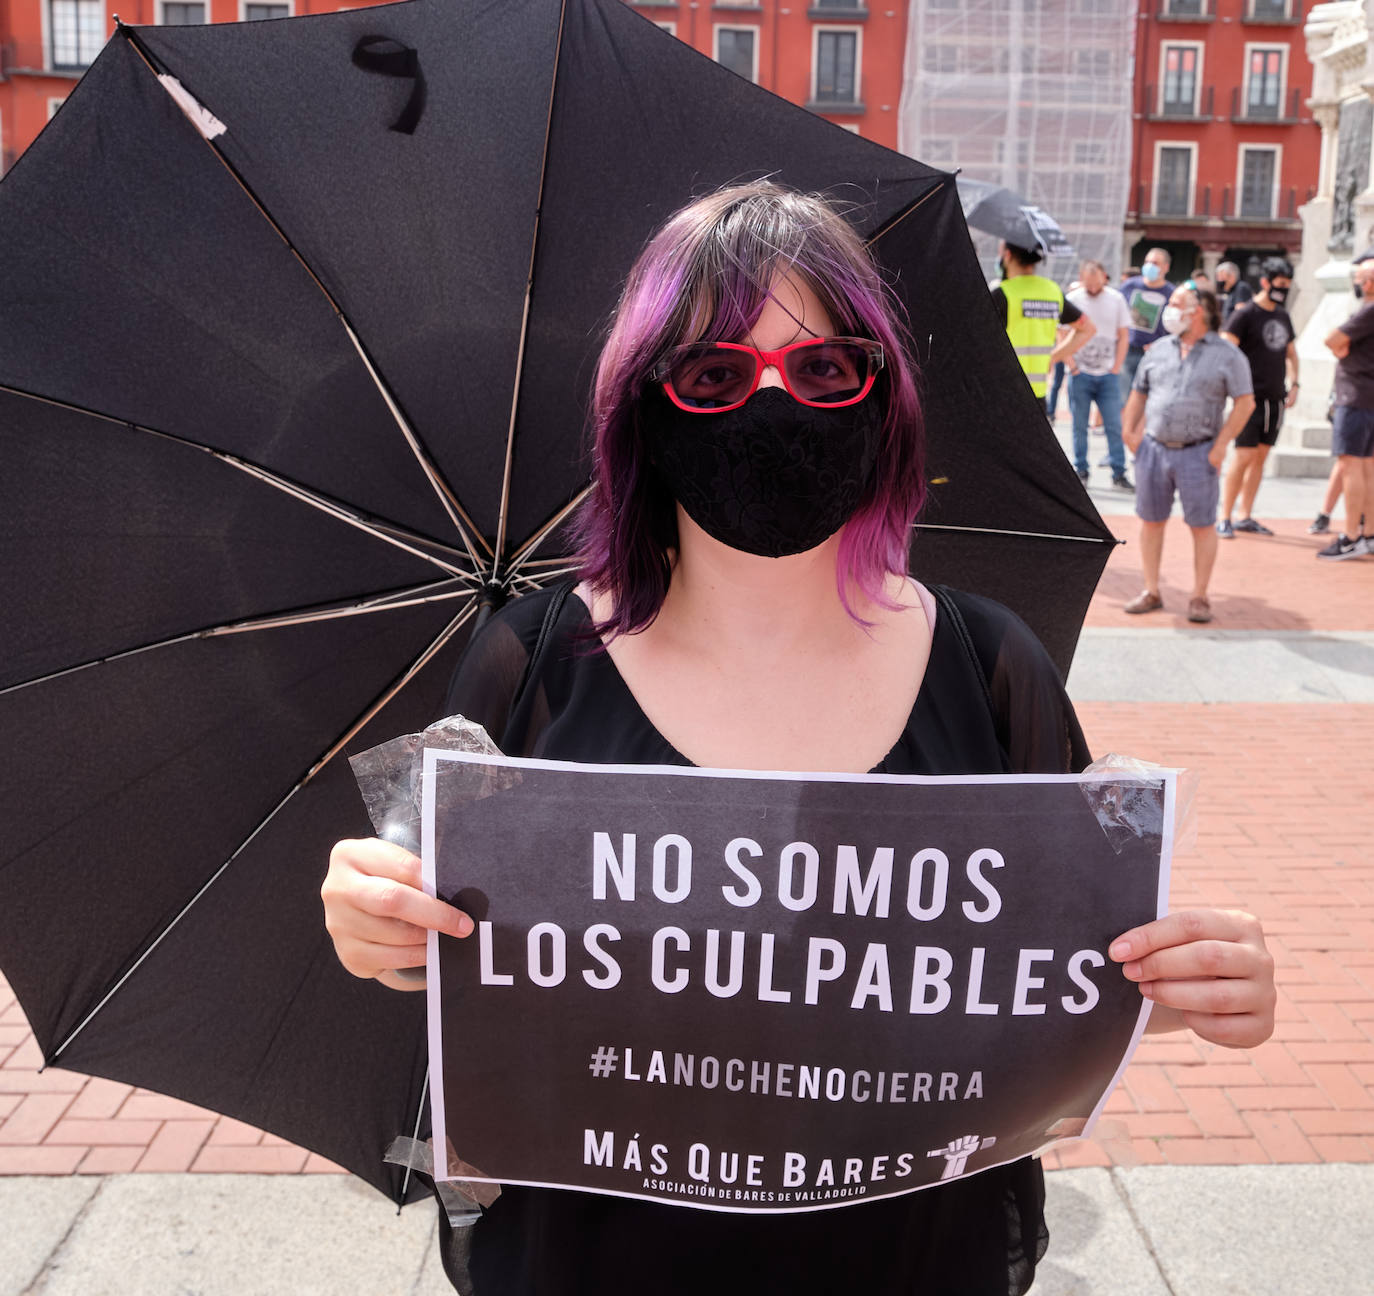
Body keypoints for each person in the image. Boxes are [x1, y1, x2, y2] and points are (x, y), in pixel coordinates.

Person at [321, 183, 1276, 1296]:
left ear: (885, 398)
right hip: (600, 1263)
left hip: (906, 1261)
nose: (773, 403)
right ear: (644, 406)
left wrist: (1187, 992)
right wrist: (383, 934)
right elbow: (475, 980)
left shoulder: (990, 666)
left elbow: (1047, 992)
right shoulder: (527, 662)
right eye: (714, 374)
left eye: (823, 367)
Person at [1121, 283, 1255, 623]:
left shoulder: (1228, 355)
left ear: (1200, 311)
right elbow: (1139, 391)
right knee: (1151, 522)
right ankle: (1151, 590)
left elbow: (1245, 403)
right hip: (1153, 449)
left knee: (1202, 525)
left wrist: (1222, 444)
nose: (1170, 308)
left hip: (1199, 452)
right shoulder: (1160, 349)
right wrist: (1129, 430)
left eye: (1178, 303)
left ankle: (1199, 596)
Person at [1217, 258, 1298, 539]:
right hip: (1249, 400)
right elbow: (1226, 351)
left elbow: (1291, 351)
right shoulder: (1245, 314)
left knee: (1260, 458)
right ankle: (1225, 516)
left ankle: (1245, 515)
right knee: (1243, 457)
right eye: (1280, 284)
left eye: (1287, 285)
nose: (1283, 290)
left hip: (1275, 399)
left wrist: (1296, 382)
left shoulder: (1283, 315)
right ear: (1265, 282)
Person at [989, 241, 1094, 410]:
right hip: (1037, 395)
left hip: (1003, 393)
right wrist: (1053, 357)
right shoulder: (1051, 291)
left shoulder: (1002, 294)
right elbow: (1088, 329)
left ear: (1007, 256)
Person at [1318, 256, 1374, 559]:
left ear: (1367, 284)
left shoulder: (1368, 312)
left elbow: (1332, 339)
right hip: (1369, 398)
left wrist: (1343, 347)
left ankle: (1352, 535)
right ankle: (1368, 534)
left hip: (1355, 397)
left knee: (1352, 465)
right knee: (1367, 466)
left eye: (1359, 278)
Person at [1065, 259, 1132, 487]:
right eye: (1089, 283)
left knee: (1113, 424)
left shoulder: (1116, 299)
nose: (1093, 288)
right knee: (1079, 425)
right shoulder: (1074, 300)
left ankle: (1118, 471)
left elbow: (1124, 334)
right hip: (1080, 373)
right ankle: (1081, 469)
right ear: (1082, 278)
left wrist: (1116, 367)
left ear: (1104, 277)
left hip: (1107, 374)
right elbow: (1060, 333)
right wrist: (1071, 365)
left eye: (1097, 283)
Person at [1118, 247, 1176, 401]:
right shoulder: (1129, 286)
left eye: (1155, 263)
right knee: (1123, 397)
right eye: (1148, 262)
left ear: (1166, 267)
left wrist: (1160, 345)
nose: (1150, 266)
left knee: (1150, 398)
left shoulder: (1172, 293)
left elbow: (1175, 327)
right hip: (1128, 350)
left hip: (1157, 354)